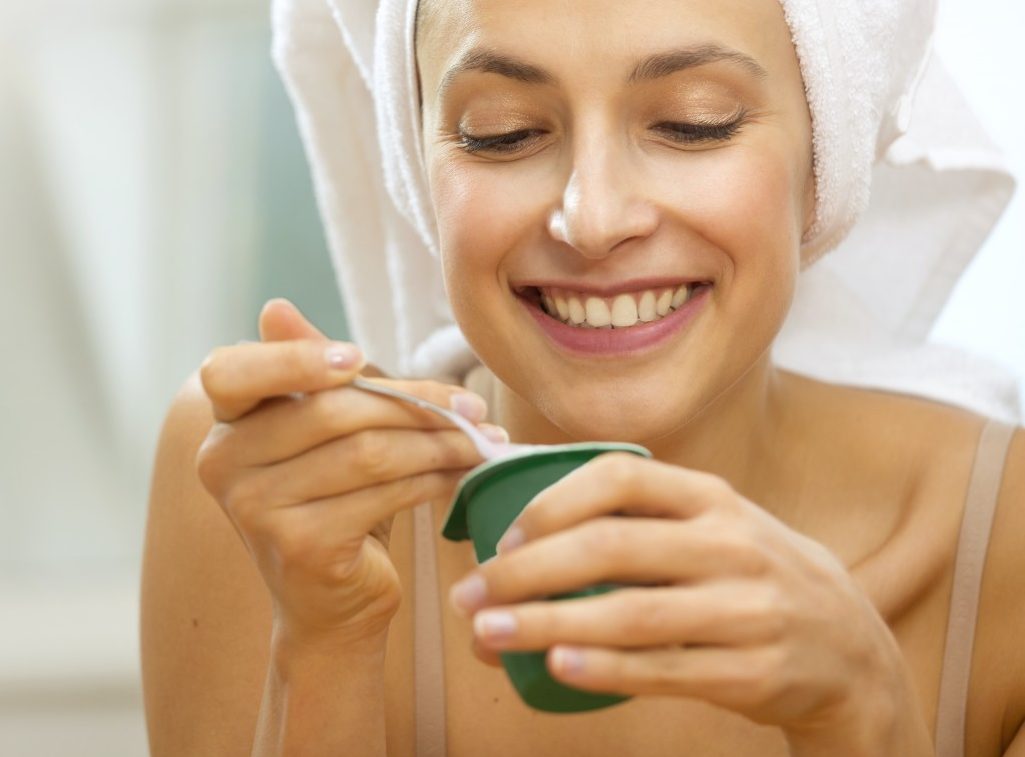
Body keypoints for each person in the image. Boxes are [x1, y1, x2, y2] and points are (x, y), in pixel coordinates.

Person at [140, 0, 1024, 754]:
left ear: (823, 154)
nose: (591, 218)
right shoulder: (265, 499)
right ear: (413, 159)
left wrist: (866, 713)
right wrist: (325, 644)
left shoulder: (1003, 543)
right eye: (503, 132)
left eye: (694, 120)